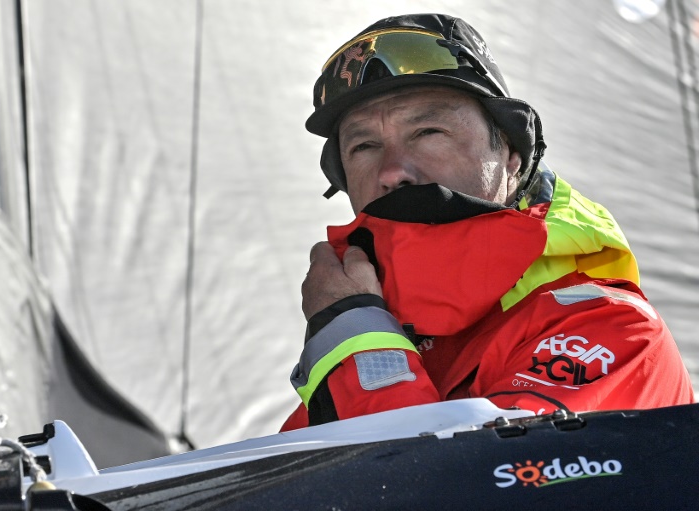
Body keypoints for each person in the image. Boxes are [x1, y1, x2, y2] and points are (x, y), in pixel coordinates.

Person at [281, 13, 694, 431]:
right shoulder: (369, 333)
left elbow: (449, 486)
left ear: (512, 152)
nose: (392, 171)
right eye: (364, 145)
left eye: (427, 131)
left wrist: (356, 339)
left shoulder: (613, 329)